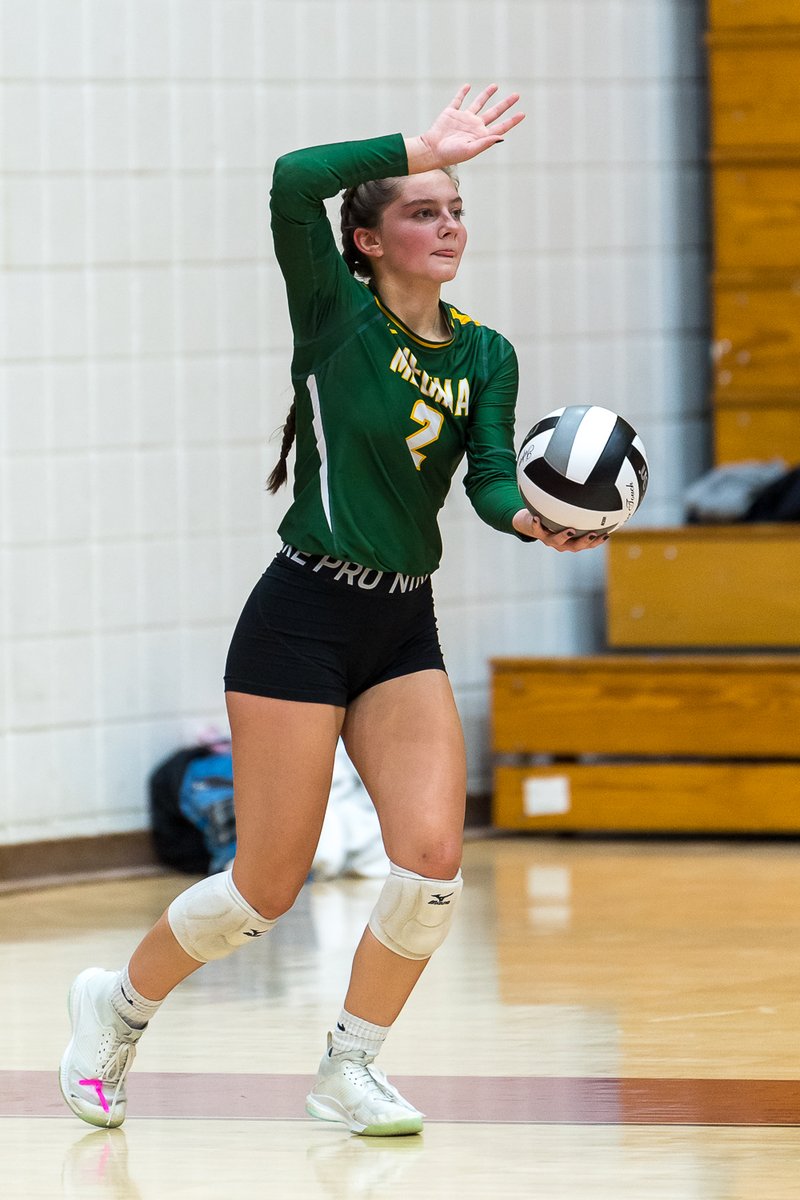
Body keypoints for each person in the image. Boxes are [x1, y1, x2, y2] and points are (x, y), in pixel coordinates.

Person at [59, 84, 606, 1138]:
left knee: (432, 864)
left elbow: (488, 479)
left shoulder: (484, 354)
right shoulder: (332, 309)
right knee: (263, 889)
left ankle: (346, 1069)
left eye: (455, 209)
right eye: (422, 208)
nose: (448, 226)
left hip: (400, 624)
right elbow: (289, 181)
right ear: (364, 238)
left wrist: (533, 521)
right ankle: (115, 1010)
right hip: (302, 615)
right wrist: (423, 141)